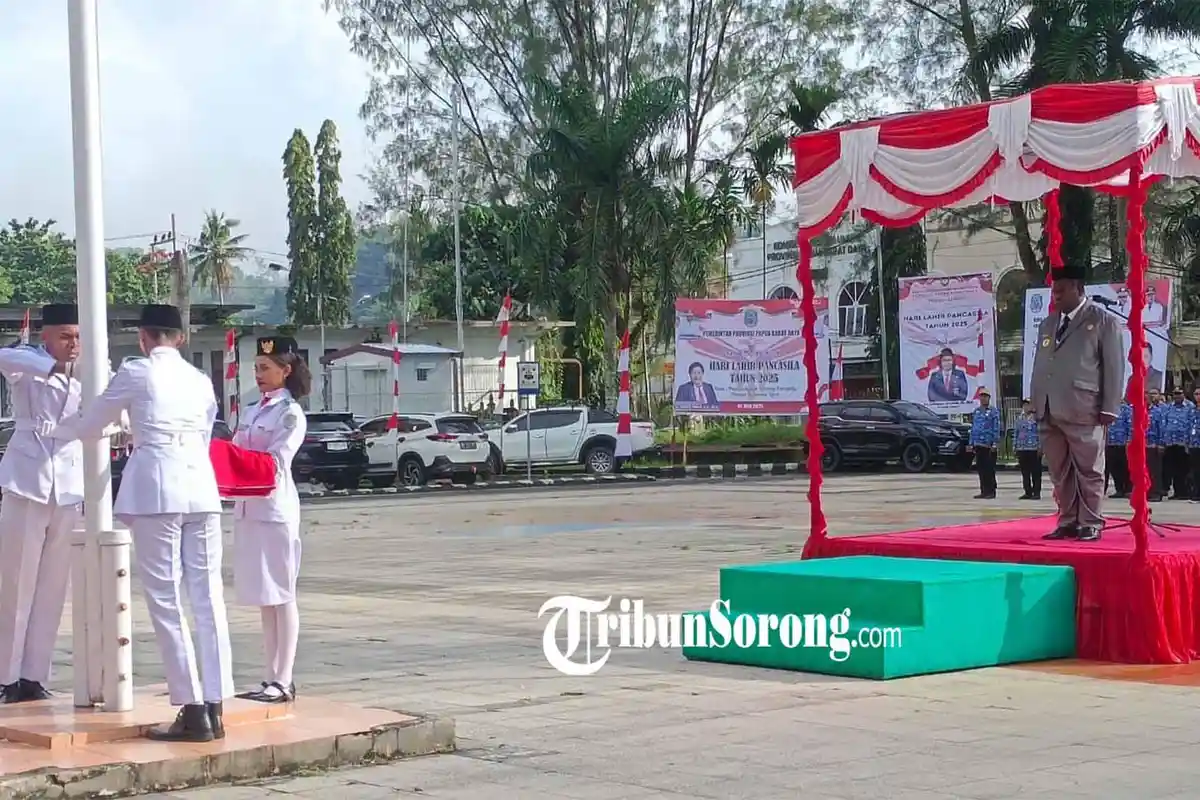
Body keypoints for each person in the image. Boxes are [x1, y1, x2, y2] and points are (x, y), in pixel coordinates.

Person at [51, 304, 233, 742]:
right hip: (201, 489)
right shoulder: (199, 379)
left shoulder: (137, 372)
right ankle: (215, 703)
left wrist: (58, 432)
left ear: (143, 337)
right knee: (208, 598)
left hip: (158, 489)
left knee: (166, 598)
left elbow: (93, 423)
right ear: (181, 337)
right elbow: (207, 430)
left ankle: (191, 710)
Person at [0, 304, 86, 703]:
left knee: (54, 586)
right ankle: (6, 675)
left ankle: (34, 674)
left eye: (78, 336)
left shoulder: (85, 375)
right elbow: (5, 356)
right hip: (28, 481)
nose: (74, 344)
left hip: (67, 484)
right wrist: (45, 363)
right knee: (15, 582)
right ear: (47, 337)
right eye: (66, 335)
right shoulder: (28, 362)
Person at [232, 336, 309, 704]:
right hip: (249, 509)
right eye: (256, 368)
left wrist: (236, 459)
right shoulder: (251, 410)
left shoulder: (289, 414)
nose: (259, 374)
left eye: (265, 368)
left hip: (275, 509)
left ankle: (285, 678)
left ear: (285, 370)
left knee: (282, 595)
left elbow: (277, 462)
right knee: (264, 597)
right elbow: (235, 449)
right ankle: (269, 677)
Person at [1030, 262, 1124, 542]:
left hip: (1085, 407)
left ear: (1077, 288)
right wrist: (1035, 401)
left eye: (1061, 290)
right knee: (1060, 470)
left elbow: (1114, 367)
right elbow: (1043, 363)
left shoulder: (1102, 320)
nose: (1055, 295)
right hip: (1048, 408)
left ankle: (1091, 522)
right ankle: (1068, 520)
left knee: (1089, 469)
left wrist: (1110, 406)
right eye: (1053, 290)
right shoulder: (1048, 323)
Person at [1159, 387, 1194, 500]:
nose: (1177, 396)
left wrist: (1189, 441)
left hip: (1183, 443)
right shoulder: (1169, 407)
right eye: (1175, 394)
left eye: (1179, 393)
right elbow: (1164, 423)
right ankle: (1177, 492)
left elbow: (1191, 424)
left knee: (1183, 469)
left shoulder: (1190, 407)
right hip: (1170, 442)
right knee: (1172, 469)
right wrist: (1164, 440)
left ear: (1184, 394)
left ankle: (1184, 492)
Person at [968, 389, 1000, 499]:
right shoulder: (976, 411)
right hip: (978, 443)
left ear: (989, 398)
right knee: (981, 468)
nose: (983, 398)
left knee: (989, 468)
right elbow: (974, 427)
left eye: (985, 396)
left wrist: (995, 442)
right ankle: (983, 490)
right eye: (981, 396)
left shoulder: (993, 411)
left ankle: (991, 491)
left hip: (988, 444)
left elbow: (996, 427)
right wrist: (971, 443)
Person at [1104, 392, 1133, 499]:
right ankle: (1119, 489)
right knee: (1113, 468)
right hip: (1110, 442)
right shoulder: (1107, 409)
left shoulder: (1125, 409)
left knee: (1124, 467)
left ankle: (1128, 489)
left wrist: (1129, 440)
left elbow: (1130, 425)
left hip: (1122, 442)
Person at [1014, 399, 1042, 500]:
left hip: (1034, 448)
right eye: (1025, 405)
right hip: (1022, 448)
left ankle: (1036, 492)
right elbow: (1016, 433)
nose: (1026, 407)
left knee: (1035, 472)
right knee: (1025, 472)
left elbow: (1041, 433)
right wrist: (1015, 446)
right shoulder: (1020, 418)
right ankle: (1027, 491)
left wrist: (1040, 446)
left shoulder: (1036, 418)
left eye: (1028, 405)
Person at [1147, 389, 1165, 502]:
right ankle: (1147, 492)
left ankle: (1156, 493)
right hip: (1142, 444)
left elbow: (1161, 429)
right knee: (1145, 471)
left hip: (1154, 444)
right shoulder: (1140, 410)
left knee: (1155, 471)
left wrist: (1161, 443)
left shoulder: (1157, 411)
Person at [1190, 387, 1200, 503]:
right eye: (1196, 394)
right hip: (1194, 444)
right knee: (1195, 470)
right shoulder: (1191, 410)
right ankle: (1196, 494)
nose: (1198, 396)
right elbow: (1189, 426)